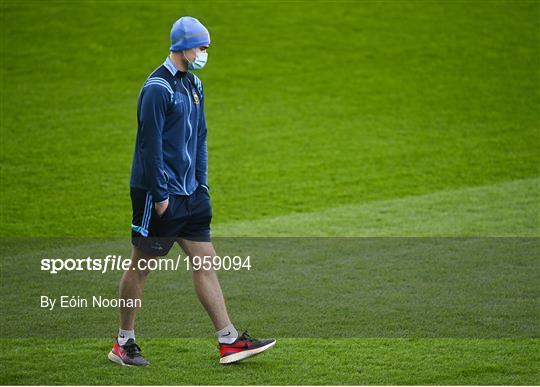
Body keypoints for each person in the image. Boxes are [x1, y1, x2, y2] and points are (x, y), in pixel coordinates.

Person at [107, 16, 276, 367]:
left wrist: (202, 184)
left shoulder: (195, 85)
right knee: (141, 267)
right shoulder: (157, 89)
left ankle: (228, 340)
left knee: (206, 262)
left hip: (191, 195)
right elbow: (149, 148)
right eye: (201, 47)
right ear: (183, 46)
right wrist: (162, 195)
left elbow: (200, 138)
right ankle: (123, 343)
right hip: (159, 197)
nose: (204, 53)